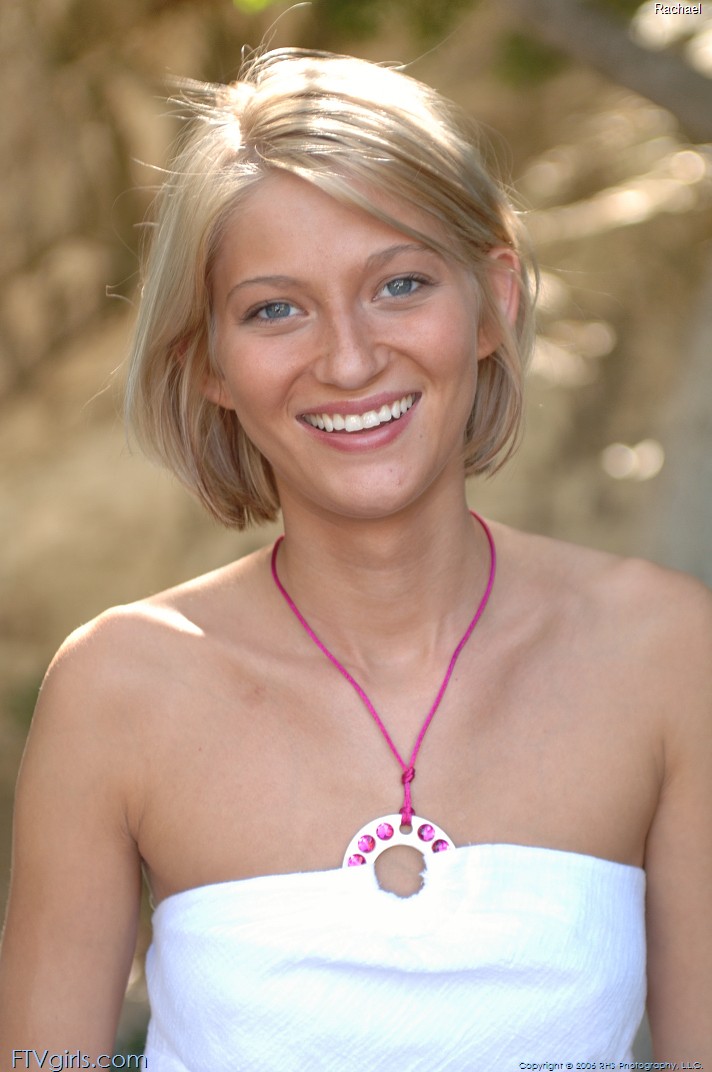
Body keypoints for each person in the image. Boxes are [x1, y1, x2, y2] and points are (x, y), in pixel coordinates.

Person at [0, 46, 710, 1070]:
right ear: (208, 361)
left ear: (493, 300)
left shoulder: (666, 651)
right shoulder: (118, 686)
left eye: (400, 284)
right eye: (275, 308)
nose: (348, 359)